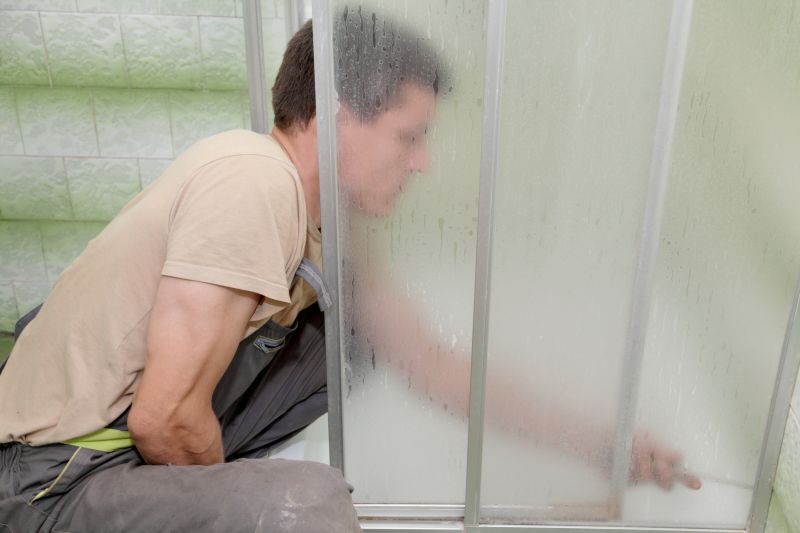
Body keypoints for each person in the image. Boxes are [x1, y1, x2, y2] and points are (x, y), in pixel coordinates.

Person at [0, 8, 444, 532]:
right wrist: (232, 500)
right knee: (306, 506)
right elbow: (161, 418)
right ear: (334, 118)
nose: (422, 162)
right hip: (54, 478)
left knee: (353, 335)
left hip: (117, 438)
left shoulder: (312, 214)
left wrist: (563, 437)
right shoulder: (254, 182)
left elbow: (427, 360)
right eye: (409, 136)